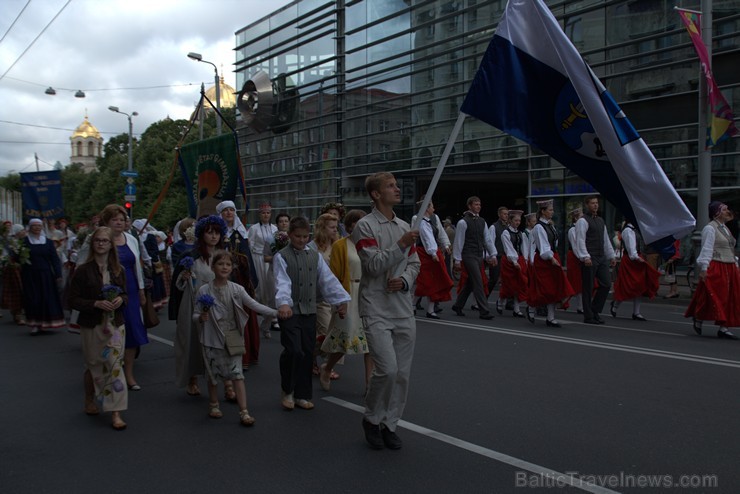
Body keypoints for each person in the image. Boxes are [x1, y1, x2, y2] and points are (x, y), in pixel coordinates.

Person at [352, 172, 420, 450]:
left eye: (396, 185)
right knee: (388, 369)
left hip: (403, 309)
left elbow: (415, 264)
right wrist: (401, 244)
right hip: (376, 307)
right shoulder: (364, 227)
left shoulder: (404, 225)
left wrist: (405, 280)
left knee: (402, 373)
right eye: (390, 186)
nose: (397, 189)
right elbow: (373, 266)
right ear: (376, 194)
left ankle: (390, 423)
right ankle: (371, 417)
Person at [274, 216, 350, 411]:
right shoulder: (281, 256)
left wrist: (340, 300)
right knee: (294, 351)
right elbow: (282, 281)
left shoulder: (314, 256)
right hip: (289, 311)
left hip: (309, 310)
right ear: (290, 235)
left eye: (304, 236)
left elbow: (327, 280)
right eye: (297, 236)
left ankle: (302, 394)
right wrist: (283, 303)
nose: (301, 240)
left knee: (307, 352)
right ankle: (288, 390)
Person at [194, 250, 278, 426]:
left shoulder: (237, 289)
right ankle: (214, 404)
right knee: (212, 374)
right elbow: (195, 314)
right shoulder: (203, 290)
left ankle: (244, 411)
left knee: (237, 374)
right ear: (213, 266)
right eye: (220, 264)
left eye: (228, 264)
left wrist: (277, 312)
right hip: (211, 337)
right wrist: (200, 318)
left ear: (232, 268)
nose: (224, 267)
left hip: (233, 336)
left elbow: (254, 305)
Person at [68, 226, 128, 430]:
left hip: (114, 324)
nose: (101, 244)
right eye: (98, 241)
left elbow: (127, 295)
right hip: (92, 324)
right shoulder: (83, 271)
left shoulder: (119, 270)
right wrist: (95, 303)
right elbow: (72, 299)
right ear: (93, 244)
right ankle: (89, 398)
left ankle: (116, 412)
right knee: (93, 364)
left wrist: (120, 299)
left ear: (112, 245)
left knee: (114, 365)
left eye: (105, 241)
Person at [169, 215, 226, 397]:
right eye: (210, 233)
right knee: (193, 343)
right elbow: (177, 285)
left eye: (217, 233)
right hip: (193, 303)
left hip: (218, 303)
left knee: (220, 344)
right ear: (202, 234)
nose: (213, 237)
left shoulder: (223, 255)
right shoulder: (190, 256)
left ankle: (227, 382)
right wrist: (184, 278)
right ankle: (192, 379)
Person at [319, 209, 373, 391]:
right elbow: (334, 275)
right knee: (345, 340)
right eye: (358, 222)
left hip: (368, 294)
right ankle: (327, 367)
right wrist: (339, 301)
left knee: (371, 342)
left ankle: (369, 385)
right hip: (348, 294)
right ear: (350, 225)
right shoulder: (341, 245)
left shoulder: (371, 244)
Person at [685, 201, 740, 339]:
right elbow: (707, 248)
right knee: (715, 296)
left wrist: (736, 264)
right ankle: (699, 317)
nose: (728, 211)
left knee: (730, 297)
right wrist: (704, 267)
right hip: (717, 265)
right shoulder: (710, 228)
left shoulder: (725, 228)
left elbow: (730, 248)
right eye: (724, 209)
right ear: (717, 213)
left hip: (730, 265)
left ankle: (724, 327)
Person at [217, 200, 262, 364]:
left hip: (241, 281)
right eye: (225, 210)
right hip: (223, 279)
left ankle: (246, 355)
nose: (229, 213)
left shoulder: (240, 234)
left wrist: (250, 279)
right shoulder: (218, 233)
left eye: (231, 210)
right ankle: (232, 355)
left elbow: (247, 258)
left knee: (243, 317)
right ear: (220, 214)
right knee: (229, 318)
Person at [527, 199, 574, 327]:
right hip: (544, 260)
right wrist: (551, 257)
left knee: (555, 287)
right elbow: (543, 247)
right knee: (544, 288)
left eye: (552, 210)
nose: (552, 212)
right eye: (550, 210)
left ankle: (551, 317)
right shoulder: (538, 227)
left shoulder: (550, 225)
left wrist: (554, 257)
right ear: (543, 211)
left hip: (553, 257)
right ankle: (531, 306)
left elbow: (554, 243)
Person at [451, 196, 497, 320]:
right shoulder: (463, 222)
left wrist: (493, 254)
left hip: (478, 255)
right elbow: (458, 242)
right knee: (479, 282)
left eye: (479, 204)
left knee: (471, 283)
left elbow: (487, 240)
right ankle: (484, 311)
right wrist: (457, 259)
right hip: (468, 255)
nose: (478, 206)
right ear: (469, 206)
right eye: (476, 204)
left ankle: (458, 305)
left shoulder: (482, 221)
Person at [308, 213, 341, 378]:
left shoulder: (337, 245)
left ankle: (317, 360)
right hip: (318, 296)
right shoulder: (313, 247)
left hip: (335, 296)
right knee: (325, 331)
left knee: (333, 331)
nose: (335, 230)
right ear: (322, 228)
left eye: (336, 227)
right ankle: (319, 362)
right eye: (332, 227)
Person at [574, 195, 616, 325]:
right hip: (590, 256)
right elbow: (580, 240)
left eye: (596, 203)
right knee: (588, 287)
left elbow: (605, 239)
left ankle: (595, 310)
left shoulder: (600, 220)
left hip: (601, 256)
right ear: (587, 205)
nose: (595, 205)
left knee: (606, 283)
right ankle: (589, 315)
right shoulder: (583, 221)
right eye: (592, 203)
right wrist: (585, 256)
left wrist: (611, 255)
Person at [21, 218, 65, 334]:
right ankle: (34, 323)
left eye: (39, 226)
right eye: (34, 226)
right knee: (33, 298)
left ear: (42, 228)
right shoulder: (24, 242)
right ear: (30, 227)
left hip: (45, 275)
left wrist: (58, 274)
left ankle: (45, 322)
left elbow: (54, 259)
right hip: (30, 274)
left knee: (46, 298)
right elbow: (18, 257)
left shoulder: (48, 242)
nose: (36, 228)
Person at [610, 221, 660, 321]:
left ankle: (636, 312)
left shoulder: (635, 229)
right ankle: (615, 306)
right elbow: (631, 249)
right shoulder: (628, 231)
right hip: (631, 260)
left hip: (636, 259)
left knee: (639, 285)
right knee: (626, 285)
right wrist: (637, 257)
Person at [413, 197, 453, 319]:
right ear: (426, 208)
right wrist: (432, 253)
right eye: (432, 206)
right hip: (423, 252)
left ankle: (430, 310)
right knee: (425, 281)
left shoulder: (435, 218)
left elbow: (440, 232)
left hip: (434, 251)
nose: (434, 209)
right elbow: (425, 236)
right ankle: (413, 305)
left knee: (436, 280)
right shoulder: (417, 218)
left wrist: (446, 245)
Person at [247, 202, 278, 332]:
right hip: (258, 258)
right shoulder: (254, 228)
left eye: (268, 213)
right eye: (263, 213)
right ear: (259, 215)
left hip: (270, 260)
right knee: (261, 286)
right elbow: (250, 244)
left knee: (271, 286)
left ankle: (270, 315)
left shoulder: (275, 228)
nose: (266, 215)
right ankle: (265, 313)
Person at [497, 210, 528, 318]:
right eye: (515, 220)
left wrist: (525, 259)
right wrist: (514, 261)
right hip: (509, 261)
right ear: (510, 221)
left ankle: (517, 308)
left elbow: (524, 248)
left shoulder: (521, 233)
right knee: (508, 284)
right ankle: (500, 301)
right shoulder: (505, 233)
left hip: (519, 259)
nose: (518, 222)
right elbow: (508, 248)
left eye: (519, 220)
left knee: (519, 284)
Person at [566, 208, 584, 314]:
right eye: (581, 217)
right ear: (576, 218)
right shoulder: (572, 230)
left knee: (580, 281)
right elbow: (575, 246)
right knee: (575, 281)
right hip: (575, 256)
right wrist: (581, 257)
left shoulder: (580, 228)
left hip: (580, 255)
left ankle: (581, 305)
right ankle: (578, 305)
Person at [488, 206, 508, 300]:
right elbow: (490, 242)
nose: (506, 216)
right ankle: (484, 297)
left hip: (506, 256)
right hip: (497, 256)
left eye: (507, 214)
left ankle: (507, 301)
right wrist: (491, 256)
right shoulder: (494, 227)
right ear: (499, 214)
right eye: (504, 214)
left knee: (508, 279)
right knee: (493, 279)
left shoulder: (508, 227)